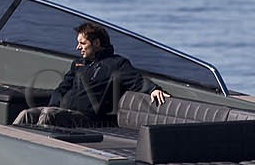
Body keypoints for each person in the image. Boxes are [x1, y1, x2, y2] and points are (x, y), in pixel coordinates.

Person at [13, 22, 168, 127]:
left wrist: (153, 89)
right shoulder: (78, 64)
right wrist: (54, 104)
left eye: (82, 43)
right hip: (63, 113)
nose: (77, 47)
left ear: (97, 43)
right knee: (27, 114)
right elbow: (62, 88)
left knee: (48, 115)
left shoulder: (116, 64)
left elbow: (136, 80)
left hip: (91, 120)